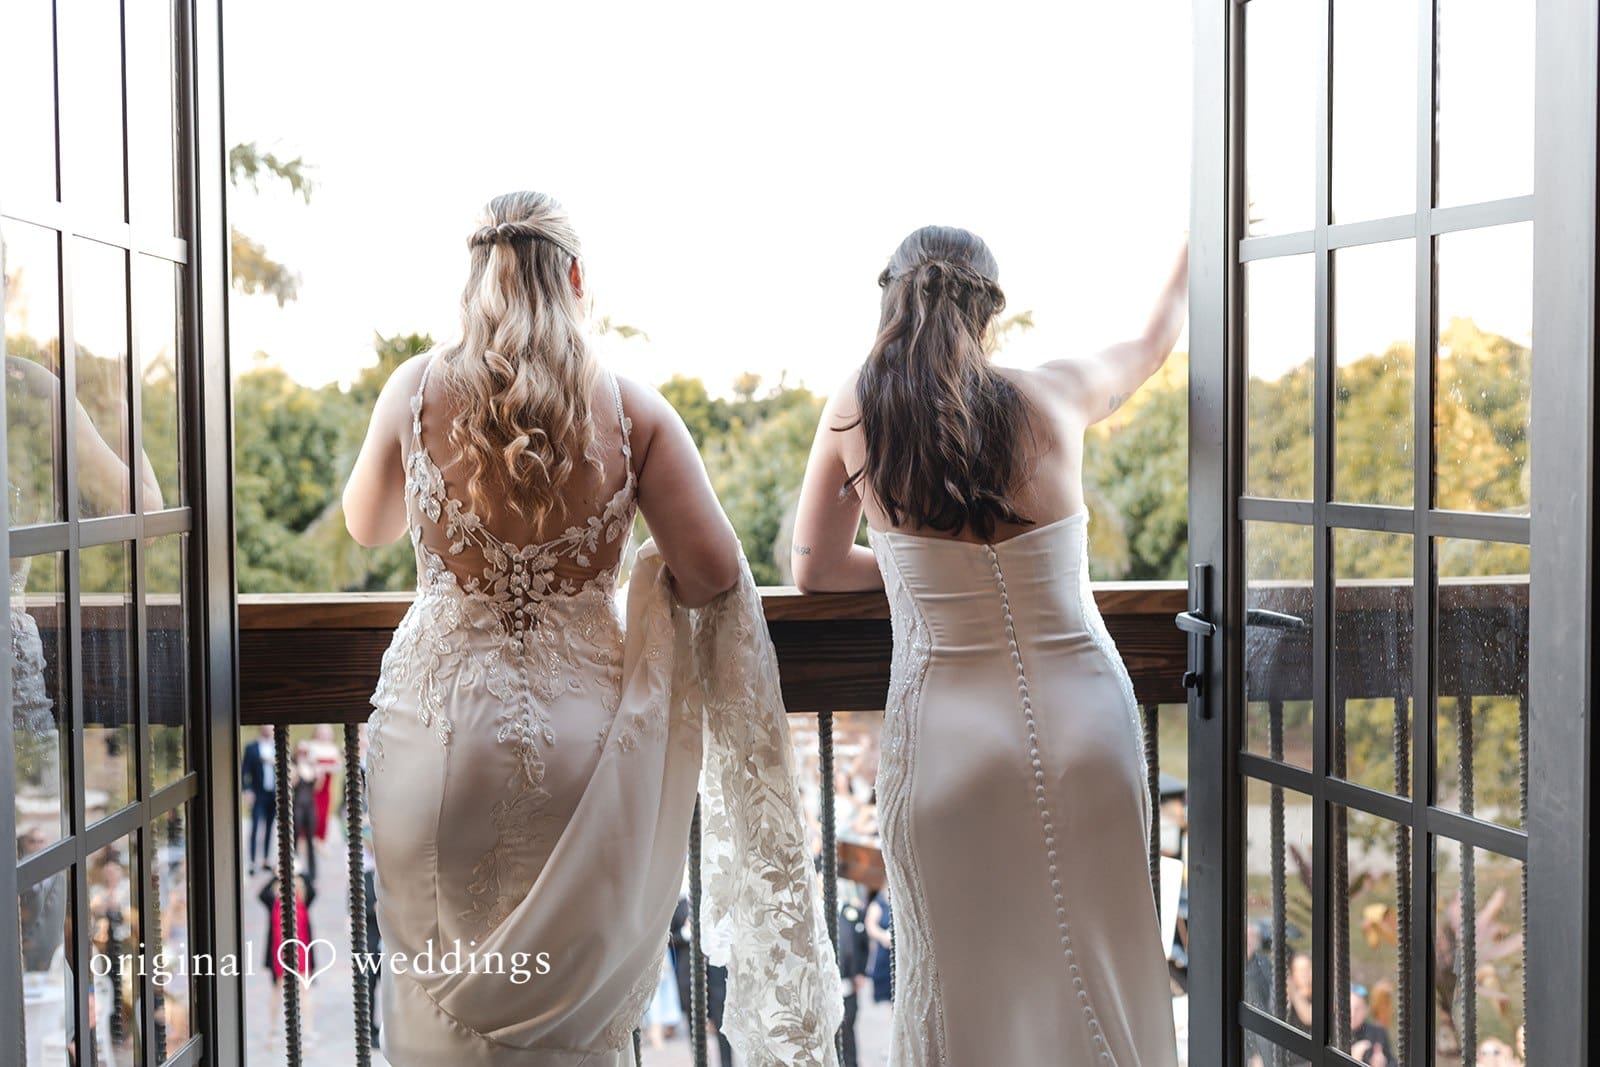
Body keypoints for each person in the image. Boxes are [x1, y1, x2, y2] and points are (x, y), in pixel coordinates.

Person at [342, 191, 840, 1065]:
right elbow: (712, 571)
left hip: (435, 732)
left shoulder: (413, 389)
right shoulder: (633, 411)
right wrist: (634, 575)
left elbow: (367, 524)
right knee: (567, 1028)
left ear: (474, 277)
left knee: (431, 1006)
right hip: (582, 746)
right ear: (575, 277)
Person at [792, 224, 1187, 1064]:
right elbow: (1153, 343)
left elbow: (815, 568)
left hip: (949, 736)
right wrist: (1198, 246)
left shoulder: (859, 407)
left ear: (890, 299)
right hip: (1089, 721)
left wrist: (914, 571)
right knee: (1108, 964)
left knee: (971, 988)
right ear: (991, 310)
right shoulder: (1055, 392)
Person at [240, 725, 276, 875]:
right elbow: (244, 771)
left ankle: (266, 859)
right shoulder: (252, 747)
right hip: (258, 792)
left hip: (273, 793)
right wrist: (247, 790)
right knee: (255, 826)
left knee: (270, 826)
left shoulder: (277, 746)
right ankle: (253, 861)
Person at [1349, 984, 1392, 1066]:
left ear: (1366, 1010)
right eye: (1349, 1007)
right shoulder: (1331, 1034)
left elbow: (1393, 1062)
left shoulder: (1378, 1032)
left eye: (1358, 1008)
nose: (1353, 1014)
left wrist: (1383, 1063)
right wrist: (1351, 1058)